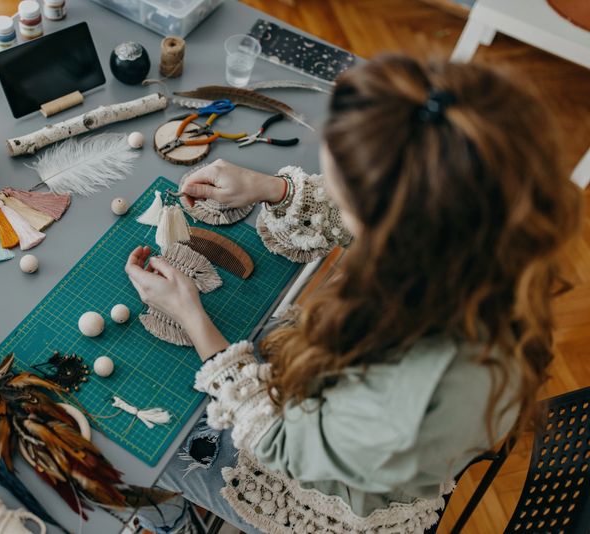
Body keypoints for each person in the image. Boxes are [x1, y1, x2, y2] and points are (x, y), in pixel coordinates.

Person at [127, 54, 583, 533]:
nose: (336, 202)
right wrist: (273, 189)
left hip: (327, 500)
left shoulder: (410, 379)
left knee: (132, 457)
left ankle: (171, 517)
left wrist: (194, 321)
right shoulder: (488, 235)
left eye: (346, 199)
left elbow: (281, 442)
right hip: (354, 433)